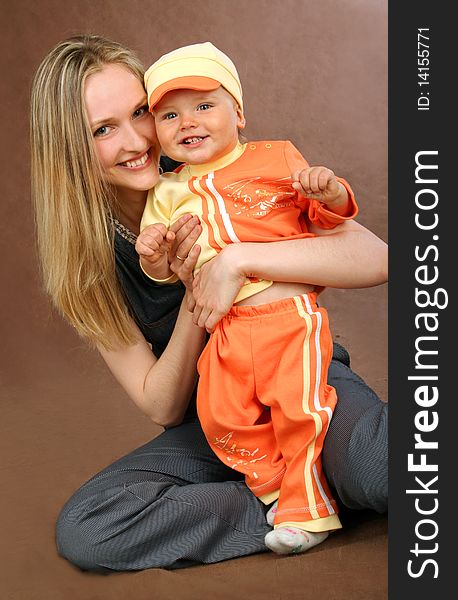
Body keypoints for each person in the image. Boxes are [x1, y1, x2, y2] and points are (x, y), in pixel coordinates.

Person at [30, 34, 388, 571]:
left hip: (299, 373)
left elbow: (375, 256)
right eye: (103, 129)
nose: (137, 141)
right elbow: (162, 406)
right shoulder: (85, 264)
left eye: (141, 113)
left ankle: (313, 485)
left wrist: (236, 261)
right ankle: (305, 498)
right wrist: (196, 294)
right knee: (91, 528)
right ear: (70, 149)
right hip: (217, 421)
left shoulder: (212, 174)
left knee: (385, 469)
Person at [137, 42, 367, 555]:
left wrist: (327, 192)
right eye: (169, 114)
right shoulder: (167, 190)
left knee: (299, 413)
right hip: (225, 329)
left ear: (237, 113)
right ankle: (274, 490)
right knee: (218, 414)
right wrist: (154, 252)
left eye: (204, 106)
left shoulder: (276, 156)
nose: (187, 122)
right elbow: (158, 266)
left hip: (286, 319)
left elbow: (328, 222)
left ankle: (307, 514)